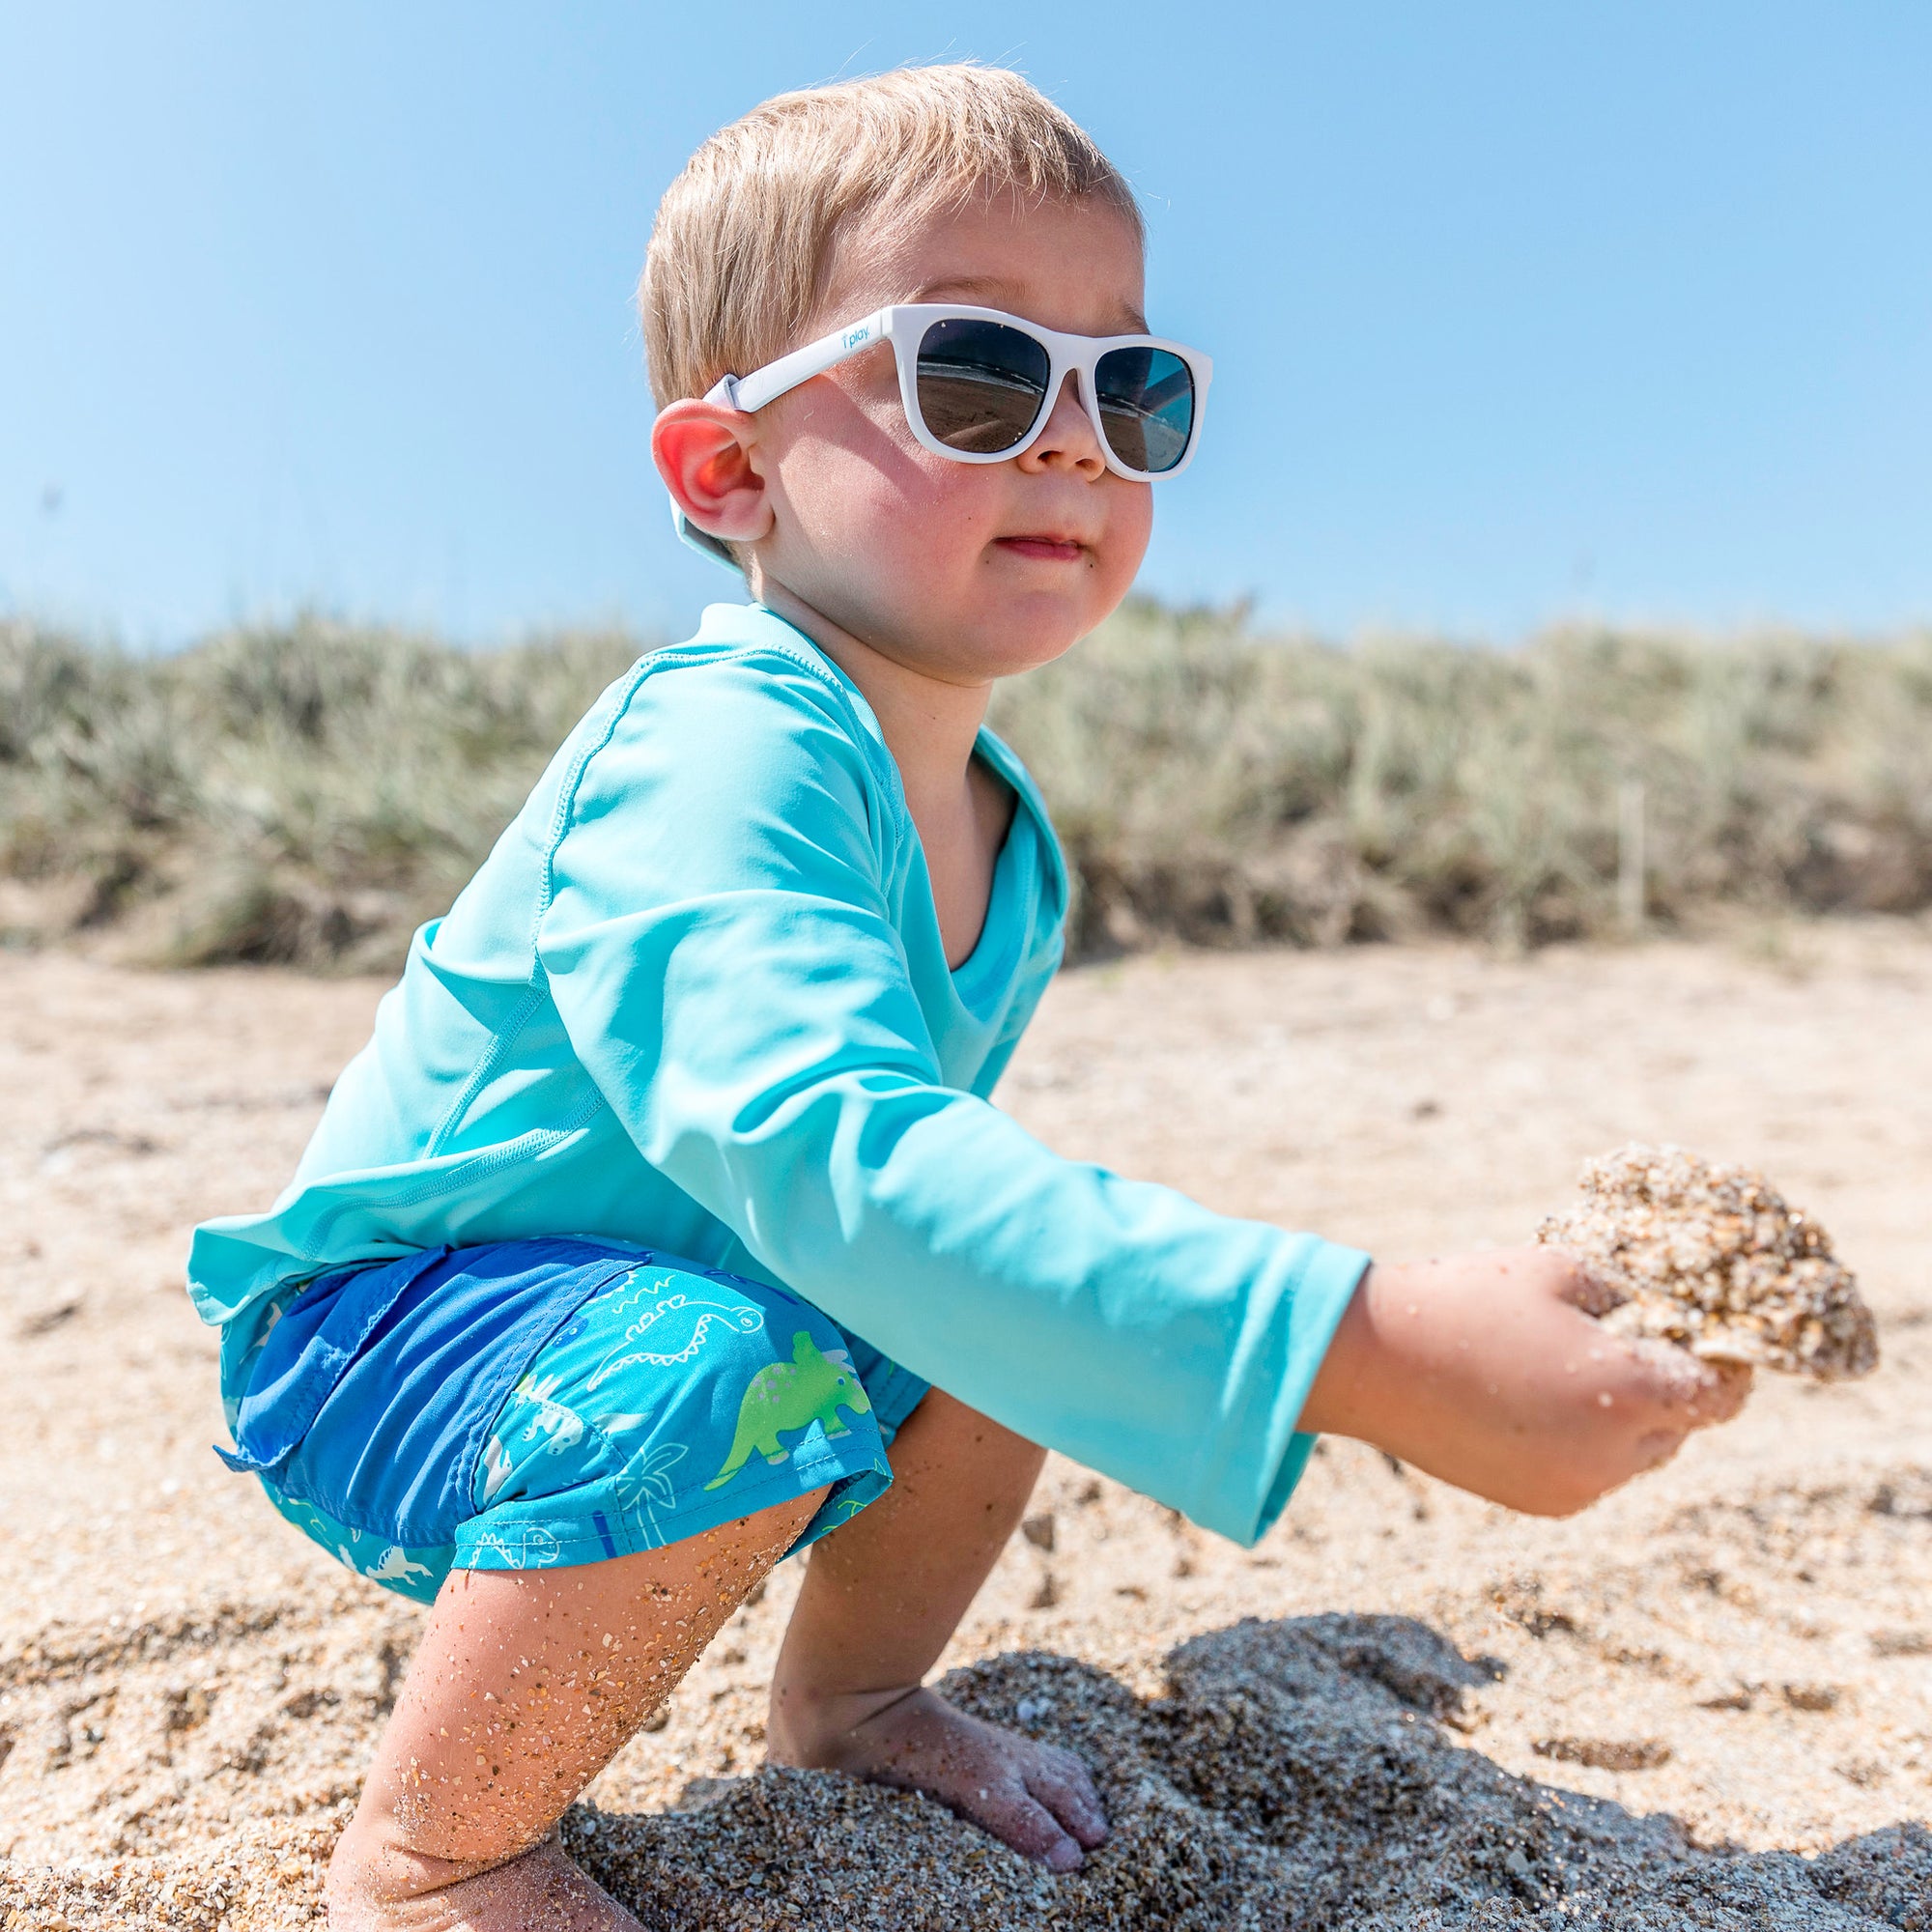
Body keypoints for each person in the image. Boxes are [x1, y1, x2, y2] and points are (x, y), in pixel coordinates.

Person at [185, 64, 1748, 1932]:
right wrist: (1367, 1348)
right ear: (730, 468)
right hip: (389, 1345)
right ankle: (428, 1857)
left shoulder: (1011, 844)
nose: (1077, 440)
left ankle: (848, 1703)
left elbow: (915, 1222)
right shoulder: (717, 747)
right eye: (981, 373)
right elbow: (832, 1159)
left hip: (672, 1302)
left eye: (1134, 390)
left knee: (982, 1294)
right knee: (761, 1352)